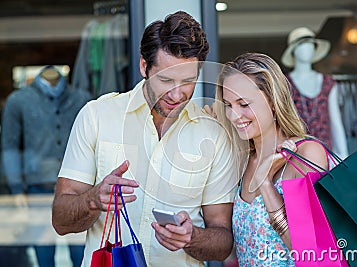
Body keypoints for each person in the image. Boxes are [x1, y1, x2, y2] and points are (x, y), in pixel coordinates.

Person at [52, 11, 239, 267]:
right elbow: (61, 221)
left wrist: (192, 238)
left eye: (188, 81)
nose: (177, 93)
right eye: (165, 80)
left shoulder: (214, 134)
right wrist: (93, 199)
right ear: (144, 66)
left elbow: (222, 241)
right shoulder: (96, 116)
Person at [213, 53, 329, 266]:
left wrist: (265, 183)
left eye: (243, 104)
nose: (233, 115)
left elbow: (310, 252)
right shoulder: (242, 162)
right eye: (228, 105)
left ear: (273, 101)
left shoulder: (305, 155)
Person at [1, 65, 91, 267]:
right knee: (43, 255)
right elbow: (10, 147)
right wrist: (16, 189)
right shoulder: (19, 100)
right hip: (37, 188)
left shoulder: (81, 99)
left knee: (81, 255)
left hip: (78, 189)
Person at [281, 27, 348, 158]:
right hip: (297, 153)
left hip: (326, 152)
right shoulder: (284, 83)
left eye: (311, 44)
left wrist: (344, 155)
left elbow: (335, 122)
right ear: (293, 50)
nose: (307, 48)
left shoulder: (328, 82)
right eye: (302, 44)